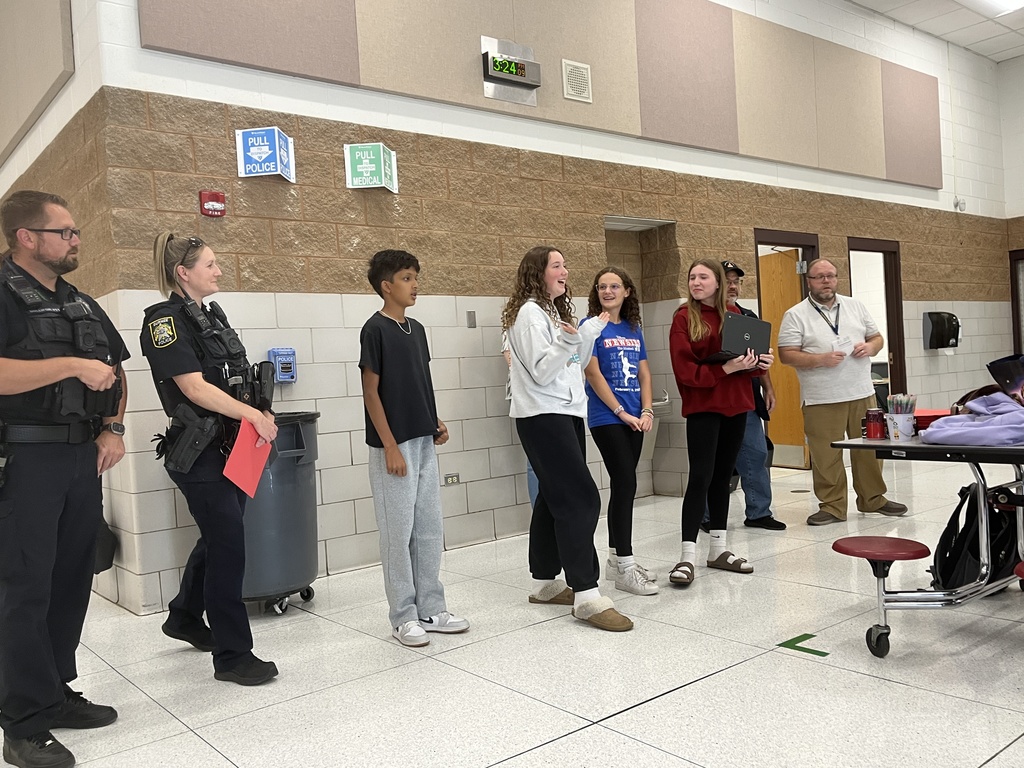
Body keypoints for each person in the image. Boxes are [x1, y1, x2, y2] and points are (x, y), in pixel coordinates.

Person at [0, 190, 128, 768]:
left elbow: (116, 370)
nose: (76, 240)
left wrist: (114, 430)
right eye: (65, 232)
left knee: (74, 577)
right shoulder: (3, 295)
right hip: (24, 462)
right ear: (27, 237)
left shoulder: (81, 301)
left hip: (82, 458)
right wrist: (73, 365)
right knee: (23, 588)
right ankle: (22, 721)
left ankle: (53, 690)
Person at [141, 232, 279, 686]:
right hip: (199, 453)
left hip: (232, 446)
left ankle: (183, 615)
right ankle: (234, 655)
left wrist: (261, 410)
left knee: (219, 538)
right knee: (228, 548)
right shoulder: (165, 322)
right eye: (210, 264)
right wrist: (252, 418)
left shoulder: (210, 315)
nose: (218, 271)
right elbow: (193, 387)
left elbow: (234, 377)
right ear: (184, 272)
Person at [502, 245, 633, 631]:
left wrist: (586, 333)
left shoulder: (550, 312)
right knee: (581, 497)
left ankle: (544, 582)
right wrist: (570, 340)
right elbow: (542, 371)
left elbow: (571, 363)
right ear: (537, 273)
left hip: (564, 413)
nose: (565, 270)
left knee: (552, 497)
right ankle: (587, 594)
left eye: (564, 265)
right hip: (543, 416)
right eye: (557, 265)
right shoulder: (528, 313)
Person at [359, 249, 469, 648]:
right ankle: (403, 616)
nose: (415, 284)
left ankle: (431, 608)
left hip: (422, 441)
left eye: (416, 277)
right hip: (394, 446)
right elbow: (372, 393)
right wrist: (390, 446)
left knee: (427, 529)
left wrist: (433, 422)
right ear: (387, 286)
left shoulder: (417, 329)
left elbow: (419, 382)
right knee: (398, 533)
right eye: (407, 278)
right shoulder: (375, 329)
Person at [777, 258, 907, 525]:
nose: (826, 281)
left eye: (831, 276)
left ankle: (873, 499)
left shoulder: (855, 306)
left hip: (862, 392)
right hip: (821, 397)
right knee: (826, 455)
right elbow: (786, 355)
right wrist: (820, 359)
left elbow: (877, 338)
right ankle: (833, 507)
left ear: (837, 279)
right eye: (819, 277)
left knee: (869, 450)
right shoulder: (796, 314)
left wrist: (871, 348)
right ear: (809, 281)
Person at [668, 259, 773, 587]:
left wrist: (759, 363)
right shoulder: (684, 318)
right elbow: (684, 370)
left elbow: (748, 367)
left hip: (736, 405)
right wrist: (724, 370)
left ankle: (719, 550)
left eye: (703, 277)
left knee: (725, 479)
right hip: (703, 407)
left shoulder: (739, 317)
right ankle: (687, 557)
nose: (696, 282)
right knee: (701, 477)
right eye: (692, 277)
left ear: (716, 283)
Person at [582, 266, 658, 595]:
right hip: (607, 417)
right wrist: (621, 412)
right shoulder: (590, 326)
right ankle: (625, 565)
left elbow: (644, 373)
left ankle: (616, 561)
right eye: (602, 287)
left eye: (614, 286)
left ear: (627, 291)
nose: (608, 291)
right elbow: (592, 373)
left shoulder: (632, 328)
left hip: (635, 417)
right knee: (625, 482)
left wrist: (646, 409)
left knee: (625, 486)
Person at [701, 261, 786, 532]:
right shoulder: (701, 317)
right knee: (712, 460)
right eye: (729, 281)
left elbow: (759, 358)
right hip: (712, 400)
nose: (734, 286)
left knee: (756, 453)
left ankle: (759, 512)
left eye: (737, 282)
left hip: (745, 400)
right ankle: (705, 516)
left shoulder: (748, 317)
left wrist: (768, 388)